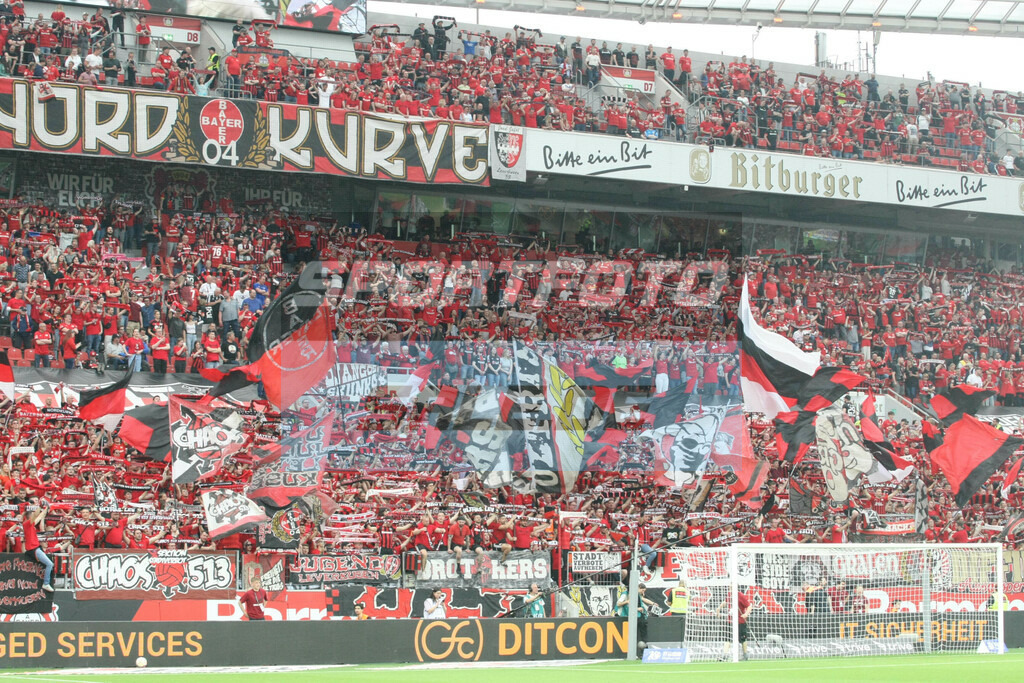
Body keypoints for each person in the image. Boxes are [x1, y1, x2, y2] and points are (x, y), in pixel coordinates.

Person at [22, 501, 54, 592]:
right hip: (34, 549)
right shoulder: (26, 524)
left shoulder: (30, 525)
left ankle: (46, 583)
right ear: (29, 516)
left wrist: (46, 509)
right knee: (50, 564)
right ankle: (46, 583)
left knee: (49, 564)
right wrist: (40, 506)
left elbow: (39, 517)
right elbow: (36, 515)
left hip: (35, 548)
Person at [717, 590, 752, 661]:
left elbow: (749, 606)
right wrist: (719, 608)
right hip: (730, 621)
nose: (730, 587)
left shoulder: (741, 595)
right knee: (727, 638)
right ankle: (724, 655)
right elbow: (726, 602)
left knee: (742, 639)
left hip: (740, 621)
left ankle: (745, 655)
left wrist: (746, 614)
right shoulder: (730, 593)